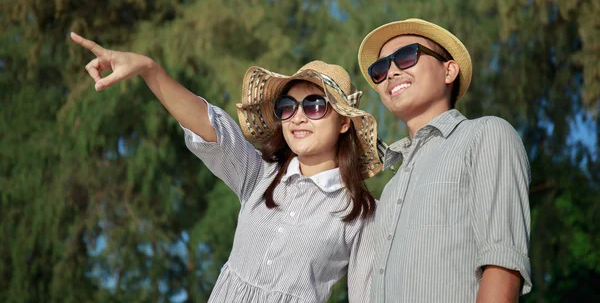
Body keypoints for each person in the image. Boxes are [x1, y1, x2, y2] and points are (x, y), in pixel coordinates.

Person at [71, 32, 384, 303]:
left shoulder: (363, 213)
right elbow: (210, 127)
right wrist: (148, 69)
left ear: (344, 122)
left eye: (315, 105)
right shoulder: (260, 175)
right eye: (287, 107)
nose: (298, 117)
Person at [357, 19, 532, 302]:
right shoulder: (391, 188)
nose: (390, 72)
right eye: (379, 69)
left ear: (449, 70)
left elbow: (502, 262)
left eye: (405, 56)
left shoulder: (485, 135)